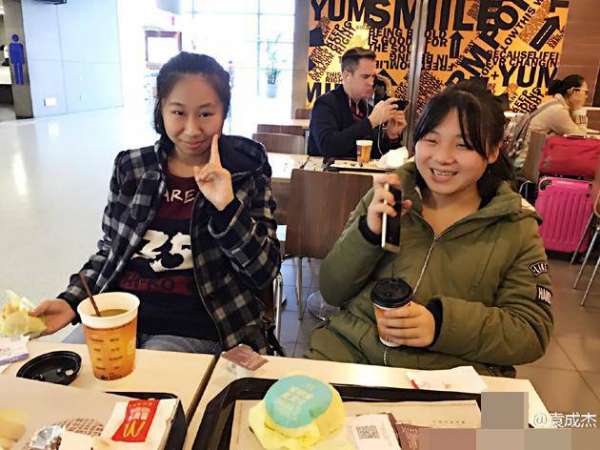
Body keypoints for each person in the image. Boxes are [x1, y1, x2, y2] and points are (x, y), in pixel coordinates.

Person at [31, 52, 281, 354]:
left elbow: (263, 271)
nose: (192, 129)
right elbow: (111, 250)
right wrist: (71, 301)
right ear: (160, 109)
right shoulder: (133, 167)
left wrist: (226, 207)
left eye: (205, 114)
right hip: (119, 313)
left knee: (143, 378)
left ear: (224, 112)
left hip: (198, 323)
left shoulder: (245, 168)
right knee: (60, 369)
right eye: (178, 112)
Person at [307, 81, 553, 377]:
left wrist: (440, 325)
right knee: (278, 401)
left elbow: (532, 332)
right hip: (351, 354)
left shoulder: (515, 224)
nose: (442, 157)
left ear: (492, 151)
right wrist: (367, 234)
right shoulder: (387, 195)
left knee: (515, 409)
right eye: (431, 140)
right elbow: (331, 291)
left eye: (463, 145)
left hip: (455, 376)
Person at [308, 47, 407, 158]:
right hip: (325, 169)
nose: (371, 82)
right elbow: (328, 146)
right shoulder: (325, 104)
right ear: (346, 76)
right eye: (365, 76)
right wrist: (371, 122)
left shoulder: (367, 108)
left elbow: (375, 155)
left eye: (373, 76)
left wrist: (391, 136)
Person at [514, 74, 589, 168]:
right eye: (585, 92)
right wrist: (579, 112)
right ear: (573, 91)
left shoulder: (552, 103)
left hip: (524, 160)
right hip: (527, 166)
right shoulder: (557, 111)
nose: (586, 96)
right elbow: (581, 138)